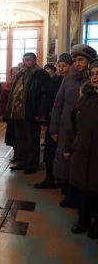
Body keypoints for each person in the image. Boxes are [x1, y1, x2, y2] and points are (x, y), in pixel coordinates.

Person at [49, 44, 96, 206]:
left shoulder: (93, 80)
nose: (77, 63)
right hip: (66, 127)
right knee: (66, 159)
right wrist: (54, 128)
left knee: (84, 164)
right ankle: (70, 193)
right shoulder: (68, 79)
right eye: (75, 60)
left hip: (87, 131)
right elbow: (58, 104)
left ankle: (83, 200)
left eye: (81, 60)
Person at [64, 59, 98, 239]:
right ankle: (83, 220)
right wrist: (69, 147)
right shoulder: (83, 100)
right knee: (81, 189)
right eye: (92, 74)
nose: (95, 77)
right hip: (82, 151)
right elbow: (71, 127)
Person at [5, 52, 50, 175]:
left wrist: (39, 113)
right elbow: (14, 93)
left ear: (34, 61)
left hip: (31, 112)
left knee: (32, 140)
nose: (25, 62)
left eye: (28, 60)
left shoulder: (41, 74)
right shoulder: (20, 74)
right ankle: (22, 161)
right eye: (24, 60)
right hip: (19, 112)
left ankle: (32, 164)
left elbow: (44, 96)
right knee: (21, 139)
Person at [34, 55, 72, 189]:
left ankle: (66, 181)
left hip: (68, 124)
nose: (61, 69)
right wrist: (45, 120)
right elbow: (48, 100)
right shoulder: (55, 81)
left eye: (65, 66)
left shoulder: (73, 82)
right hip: (52, 121)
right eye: (59, 66)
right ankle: (49, 178)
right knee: (49, 152)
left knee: (66, 153)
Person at [0, 66, 21, 162]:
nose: (14, 74)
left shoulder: (24, 84)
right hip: (10, 114)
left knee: (20, 135)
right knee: (12, 136)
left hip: (20, 114)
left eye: (16, 72)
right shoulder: (8, 86)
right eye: (12, 73)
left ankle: (22, 154)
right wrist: (0, 113)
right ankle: (16, 153)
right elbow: (3, 101)